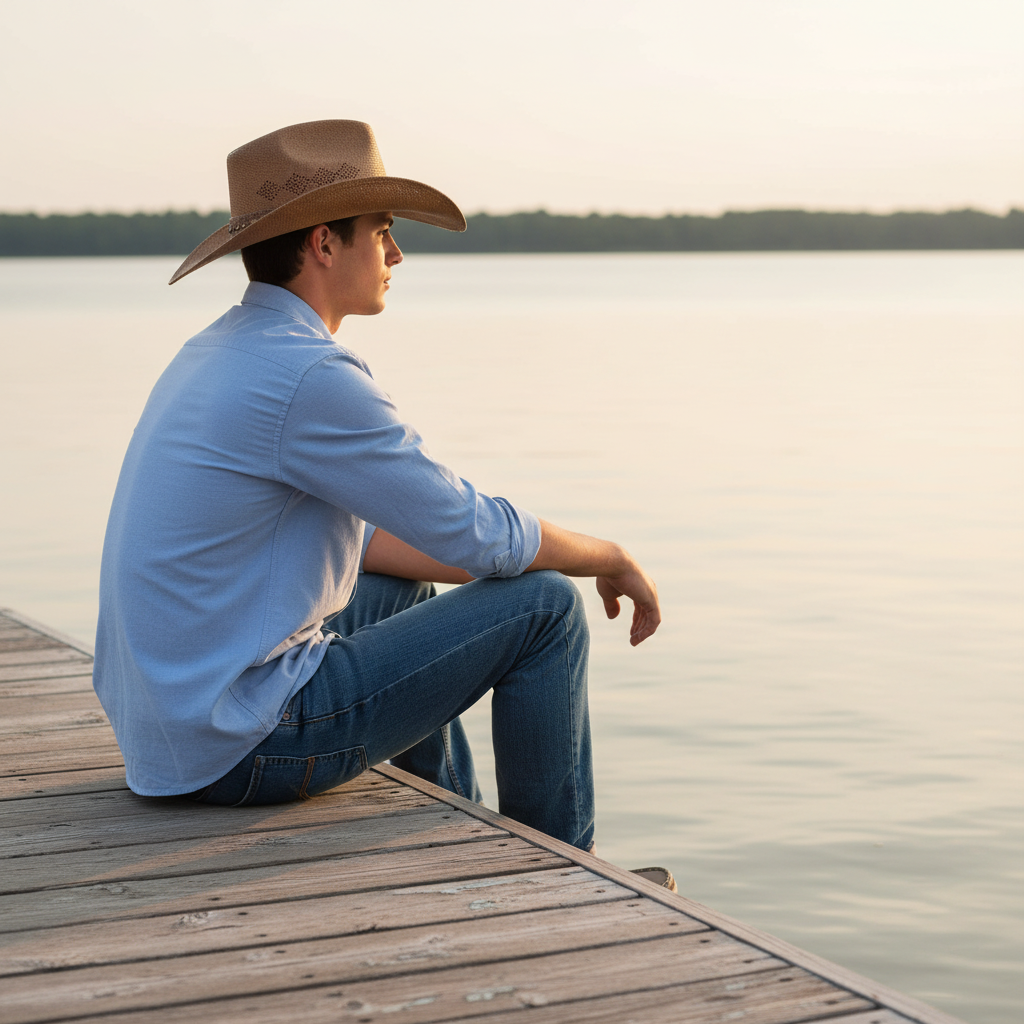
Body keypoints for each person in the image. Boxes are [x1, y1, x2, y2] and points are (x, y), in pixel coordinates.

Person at [93, 120, 661, 860]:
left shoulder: (220, 351)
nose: (397, 254)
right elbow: (473, 529)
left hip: (167, 734)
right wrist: (603, 555)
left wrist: (494, 578)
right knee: (547, 608)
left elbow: (388, 543)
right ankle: (570, 870)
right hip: (239, 747)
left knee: (408, 591)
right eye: (383, 231)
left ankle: (459, 817)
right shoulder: (309, 375)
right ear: (325, 244)